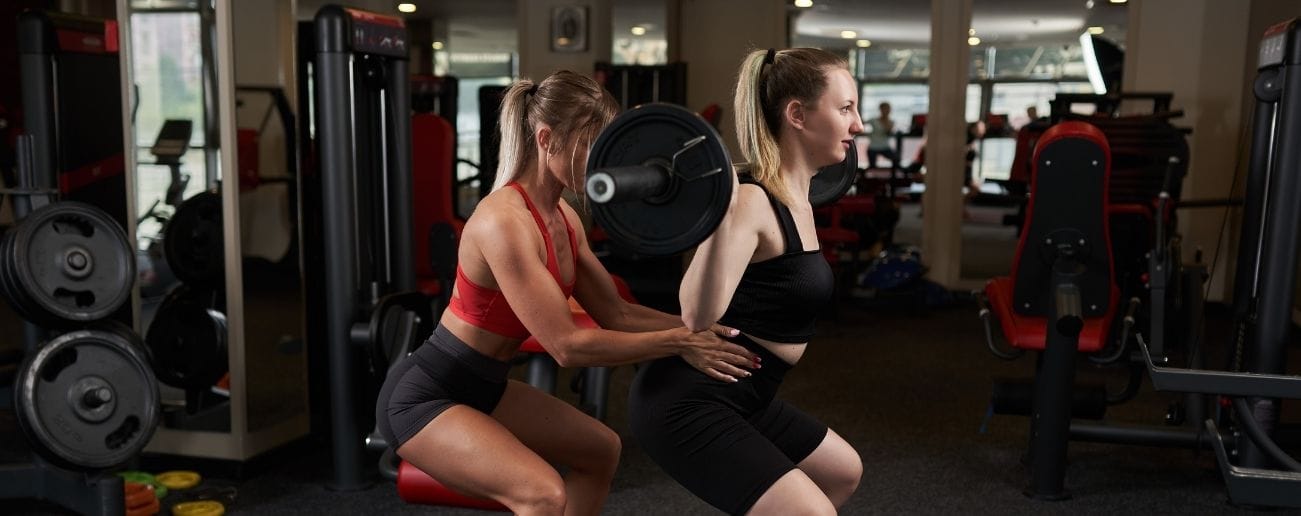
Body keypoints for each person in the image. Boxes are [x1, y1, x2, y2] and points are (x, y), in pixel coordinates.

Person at [376, 70, 762, 515]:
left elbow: (617, 313)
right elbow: (566, 346)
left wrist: (705, 329)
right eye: (590, 146)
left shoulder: (563, 217)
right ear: (546, 139)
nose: (603, 163)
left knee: (601, 450)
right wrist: (680, 342)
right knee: (541, 494)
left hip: (486, 385)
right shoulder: (504, 222)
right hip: (427, 395)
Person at [629, 48, 864, 515]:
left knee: (842, 471)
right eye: (845, 108)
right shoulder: (750, 203)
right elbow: (696, 314)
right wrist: (723, 208)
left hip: (750, 393)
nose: (857, 124)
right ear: (797, 114)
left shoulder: (800, 199)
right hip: (689, 401)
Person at [865, 101, 898, 170]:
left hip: (885, 147)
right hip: (873, 147)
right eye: (884, 109)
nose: (886, 111)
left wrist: (886, 120)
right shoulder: (873, 120)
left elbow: (888, 132)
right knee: (872, 167)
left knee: (896, 160)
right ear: (880, 109)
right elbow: (861, 124)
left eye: (888, 109)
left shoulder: (891, 122)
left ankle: (893, 177)